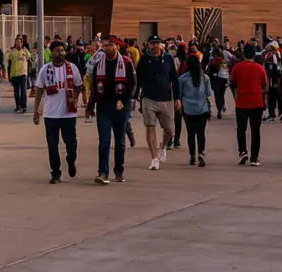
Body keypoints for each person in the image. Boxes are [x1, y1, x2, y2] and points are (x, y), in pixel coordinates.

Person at [86, 39, 135, 185]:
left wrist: (125, 100)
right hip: (104, 107)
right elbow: (94, 87)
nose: (106, 48)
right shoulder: (98, 65)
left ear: (117, 46)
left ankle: (119, 170)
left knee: (120, 141)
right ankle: (102, 173)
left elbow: (132, 84)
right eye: (104, 45)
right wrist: (90, 105)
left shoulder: (126, 63)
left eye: (109, 45)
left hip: (120, 107)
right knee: (104, 140)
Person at [34, 40, 83, 183]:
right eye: (57, 51)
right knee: (52, 145)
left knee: (71, 144)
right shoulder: (45, 69)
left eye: (62, 51)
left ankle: (71, 160)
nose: (60, 53)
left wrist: (74, 96)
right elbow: (39, 90)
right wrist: (36, 111)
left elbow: (78, 86)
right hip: (51, 115)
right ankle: (55, 173)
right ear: (52, 52)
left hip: (68, 114)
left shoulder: (72, 68)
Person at [137, 36, 180, 170]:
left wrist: (178, 98)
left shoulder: (167, 59)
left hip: (166, 98)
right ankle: (154, 158)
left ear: (161, 45)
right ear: (148, 45)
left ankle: (163, 146)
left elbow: (175, 79)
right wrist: (134, 97)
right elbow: (137, 79)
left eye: (157, 43)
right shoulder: (144, 59)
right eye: (152, 44)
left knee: (169, 130)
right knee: (150, 126)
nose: (155, 46)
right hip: (148, 97)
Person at [229, 43, 268, 166]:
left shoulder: (237, 67)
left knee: (241, 129)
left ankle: (242, 152)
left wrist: (236, 94)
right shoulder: (260, 68)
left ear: (243, 55)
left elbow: (232, 84)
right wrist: (258, 90)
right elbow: (265, 86)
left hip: (241, 102)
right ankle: (254, 158)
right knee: (255, 130)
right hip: (256, 102)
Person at [177, 54, 212, 167]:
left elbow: (180, 95)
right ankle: (201, 152)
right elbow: (208, 94)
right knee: (201, 132)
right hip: (202, 108)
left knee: (190, 133)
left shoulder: (182, 79)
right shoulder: (205, 78)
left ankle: (192, 156)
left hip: (188, 109)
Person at [7, 36, 34, 114]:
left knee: (23, 91)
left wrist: (29, 71)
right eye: (17, 42)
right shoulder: (12, 52)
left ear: (22, 44)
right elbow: (9, 64)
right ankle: (18, 106)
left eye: (20, 42)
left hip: (23, 74)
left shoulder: (25, 51)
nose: (18, 43)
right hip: (15, 74)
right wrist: (9, 76)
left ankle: (24, 106)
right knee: (16, 92)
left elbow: (30, 59)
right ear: (15, 43)